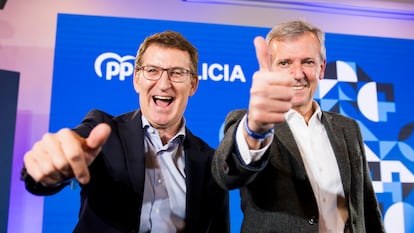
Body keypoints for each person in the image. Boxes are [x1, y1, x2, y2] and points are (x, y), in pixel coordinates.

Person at [21, 30, 229, 233]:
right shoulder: (103, 131)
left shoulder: (210, 162)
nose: (164, 84)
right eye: (152, 70)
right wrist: (52, 167)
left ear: (192, 85)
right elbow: (55, 164)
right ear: (136, 79)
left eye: (176, 73)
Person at [211, 20, 385, 233]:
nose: (298, 73)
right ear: (271, 70)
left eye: (308, 62)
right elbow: (227, 174)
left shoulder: (348, 129)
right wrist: (254, 131)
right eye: (285, 63)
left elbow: (366, 208)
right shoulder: (251, 123)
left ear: (321, 68)